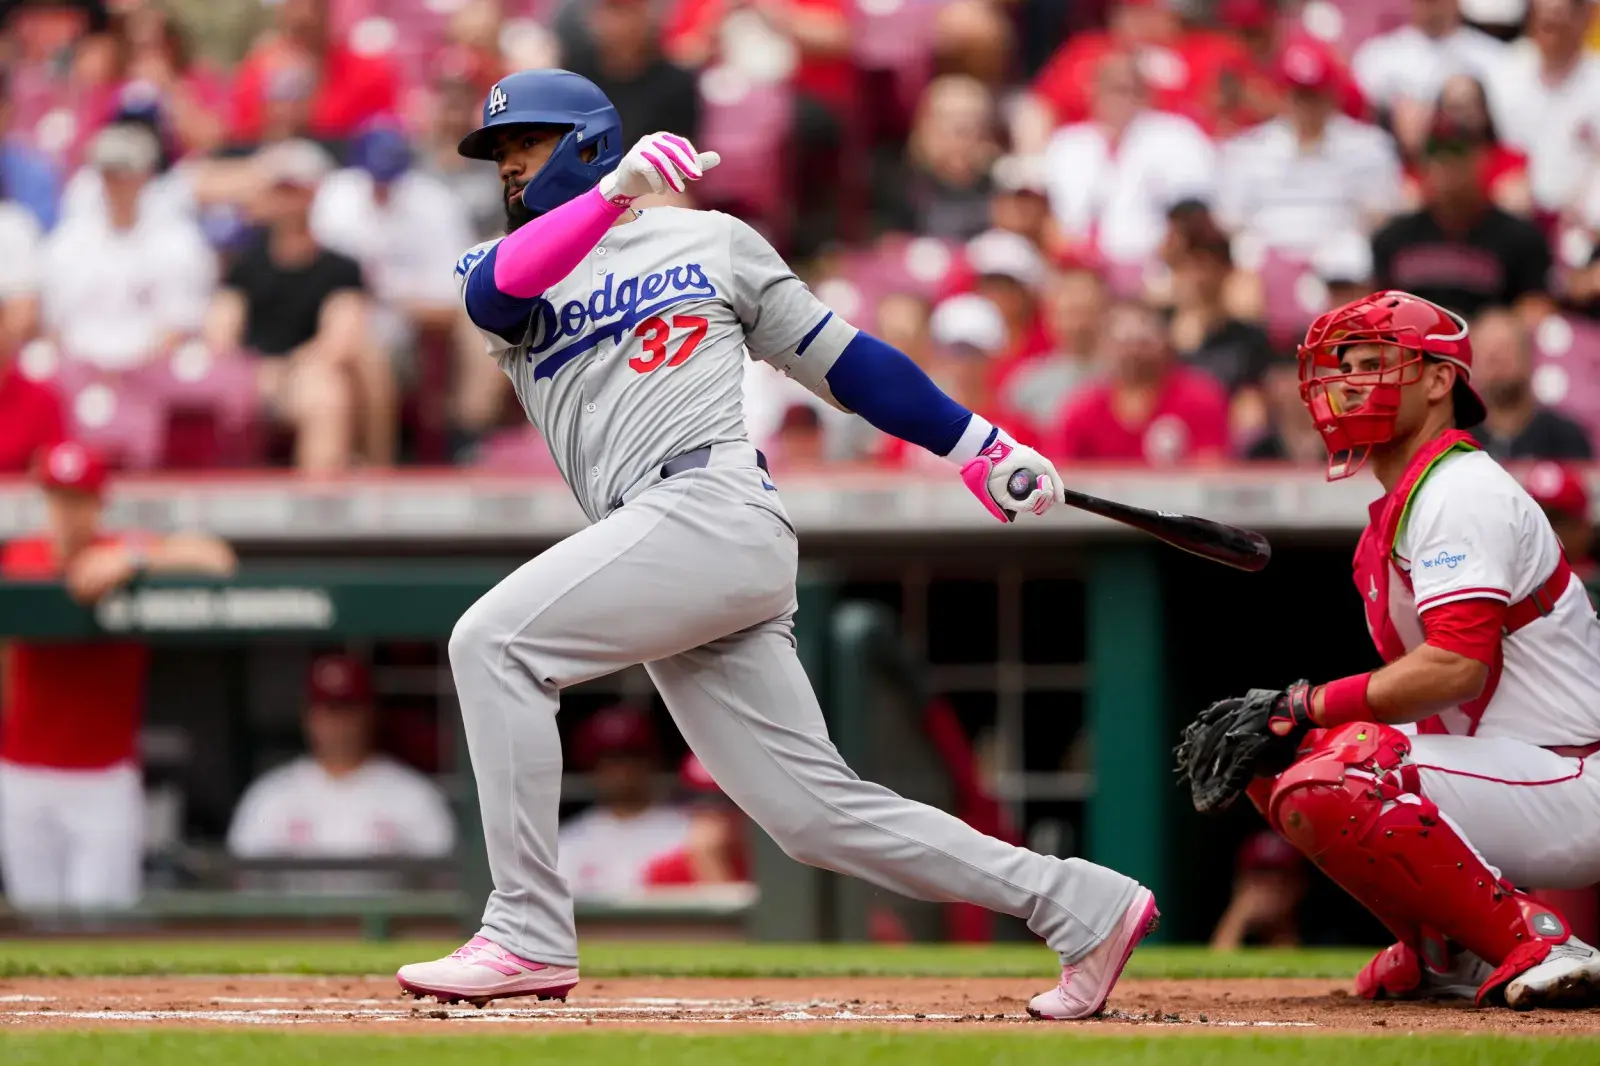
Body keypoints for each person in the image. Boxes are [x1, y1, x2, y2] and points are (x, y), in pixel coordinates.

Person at [396, 69, 1155, 1021]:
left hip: (714, 505)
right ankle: (1084, 903)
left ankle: (526, 931)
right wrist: (613, 195)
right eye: (502, 153)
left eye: (529, 144)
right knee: (814, 817)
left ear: (587, 139)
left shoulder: (713, 241)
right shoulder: (496, 264)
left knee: (493, 643)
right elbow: (500, 296)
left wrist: (978, 443)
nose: (511, 167)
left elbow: (846, 363)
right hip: (657, 537)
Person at [1174, 290, 1600, 1009]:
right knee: (1276, 757)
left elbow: (1455, 668)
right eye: (1346, 369)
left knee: (1346, 766)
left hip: (1568, 776)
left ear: (1438, 380)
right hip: (1508, 772)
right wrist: (1296, 719)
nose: (1349, 384)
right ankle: (1445, 947)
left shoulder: (1459, 487)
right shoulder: (1408, 500)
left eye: (1376, 365)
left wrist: (1307, 700)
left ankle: (1539, 938)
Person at [0, 442, 236, 914]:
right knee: (34, 923)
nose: (67, 513)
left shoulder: (122, 550)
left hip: (103, 779)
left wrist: (132, 561)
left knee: (101, 923)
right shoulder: (20, 558)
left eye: (78, 499)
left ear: (97, 503)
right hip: (24, 774)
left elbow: (217, 559)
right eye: (58, 499)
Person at [201, 139, 390, 472]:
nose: (283, 200)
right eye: (277, 190)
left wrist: (285, 369)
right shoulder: (245, 265)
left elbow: (339, 340)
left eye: (291, 190)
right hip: (251, 373)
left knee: (326, 393)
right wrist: (253, 370)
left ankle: (316, 504)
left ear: (312, 195)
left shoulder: (339, 268)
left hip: (302, 374)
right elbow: (220, 332)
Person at [226, 652, 456, 894]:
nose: (338, 722)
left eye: (348, 708)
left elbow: (445, 889)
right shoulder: (270, 795)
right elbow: (242, 886)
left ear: (370, 713)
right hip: (294, 929)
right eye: (328, 709)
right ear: (308, 716)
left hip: (385, 930)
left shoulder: (413, 795)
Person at [1370, 115, 1554, 322]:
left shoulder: (1521, 238)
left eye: (1457, 153)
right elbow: (1375, 308)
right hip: (1412, 345)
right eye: (1436, 154)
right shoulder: (1392, 238)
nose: (1446, 166)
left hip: (1487, 347)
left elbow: (1536, 308)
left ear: (1482, 159)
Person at [1047, 299, 1231, 465]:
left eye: (1142, 341)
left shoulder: (1200, 397)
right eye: (1123, 342)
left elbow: (1210, 472)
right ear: (1104, 346)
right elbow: (1062, 476)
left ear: (1164, 342)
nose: (1133, 352)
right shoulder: (1081, 409)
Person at [555, 703, 695, 900]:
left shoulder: (687, 833)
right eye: (610, 759)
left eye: (632, 756)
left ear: (652, 761)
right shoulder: (568, 842)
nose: (622, 770)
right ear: (592, 766)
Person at [1467, 309, 1592, 461]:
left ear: (1528, 356)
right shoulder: (1460, 443)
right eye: (1487, 354)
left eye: (1505, 350)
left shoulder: (1565, 437)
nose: (1497, 363)